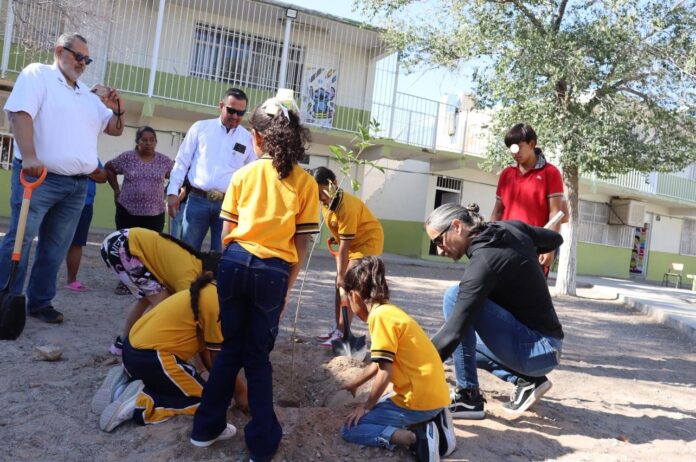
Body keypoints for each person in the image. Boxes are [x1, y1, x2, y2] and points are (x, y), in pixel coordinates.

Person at [190, 91, 319, 462]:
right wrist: (285, 291)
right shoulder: (305, 182)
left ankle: (205, 429)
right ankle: (262, 443)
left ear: (256, 137)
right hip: (272, 272)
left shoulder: (243, 175)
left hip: (234, 263)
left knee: (230, 348)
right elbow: (301, 244)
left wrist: (236, 263)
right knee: (258, 357)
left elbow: (227, 232)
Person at [0, 32, 124, 324]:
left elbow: (115, 129)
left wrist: (118, 108)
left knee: (55, 248)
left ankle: (40, 303)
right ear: (59, 51)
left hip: (77, 186)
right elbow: (20, 114)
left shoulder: (87, 95)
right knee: (20, 241)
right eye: (78, 56)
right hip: (39, 178)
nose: (82, 63)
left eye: (86, 60)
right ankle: (6, 301)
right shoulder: (38, 75)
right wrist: (29, 156)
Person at [425, 203, 564, 419]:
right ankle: (528, 381)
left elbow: (453, 331)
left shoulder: (484, 262)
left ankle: (468, 397)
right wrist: (525, 251)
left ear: (457, 226)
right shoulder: (511, 228)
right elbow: (555, 239)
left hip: (538, 349)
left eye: (438, 241)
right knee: (461, 350)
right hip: (547, 349)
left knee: (454, 298)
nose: (439, 250)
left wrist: (416, 365)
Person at [340, 257, 455, 461]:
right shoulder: (390, 311)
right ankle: (435, 421)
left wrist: (366, 406)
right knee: (383, 400)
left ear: (354, 296)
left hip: (418, 401)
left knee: (351, 429)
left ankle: (415, 438)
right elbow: (379, 363)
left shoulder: (379, 318)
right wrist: (355, 383)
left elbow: (385, 372)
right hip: (436, 397)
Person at [96, 274, 227, 432]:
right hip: (154, 359)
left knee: (185, 386)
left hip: (131, 352)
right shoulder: (216, 303)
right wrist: (238, 392)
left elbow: (207, 350)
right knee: (208, 401)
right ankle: (141, 403)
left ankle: (122, 388)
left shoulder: (204, 290)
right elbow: (217, 358)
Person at [166, 88, 256, 252]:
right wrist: (172, 192)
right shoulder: (200, 128)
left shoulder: (248, 139)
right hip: (197, 200)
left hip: (229, 206)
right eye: (231, 110)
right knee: (187, 252)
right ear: (221, 106)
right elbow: (182, 162)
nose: (235, 116)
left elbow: (253, 173)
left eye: (240, 113)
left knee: (222, 255)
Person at [313, 166, 384, 347]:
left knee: (347, 281)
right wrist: (336, 237)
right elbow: (340, 230)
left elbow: (345, 246)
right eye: (317, 194)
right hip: (351, 243)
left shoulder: (346, 206)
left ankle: (344, 331)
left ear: (334, 183)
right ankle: (339, 330)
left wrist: (341, 274)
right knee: (339, 284)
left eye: (323, 192)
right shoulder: (326, 203)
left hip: (367, 242)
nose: (321, 197)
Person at [105, 126, 173, 294]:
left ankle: (147, 282)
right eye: (144, 140)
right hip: (127, 210)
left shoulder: (164, 161)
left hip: (154, 213)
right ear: (137, 142)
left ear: (156, 142)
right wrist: (116, 190)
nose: (148, 143)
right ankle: (125, 282)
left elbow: (179, 175)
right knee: (125, 247)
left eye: (151, 140)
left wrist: (171, 193)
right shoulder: (127, 158)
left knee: (149, 248)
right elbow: (109, 168)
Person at [490, 123, 564, 276]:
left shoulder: (551, 173)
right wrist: (489, 240)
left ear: (531, 144)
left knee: (530, 291)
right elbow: (497, 212)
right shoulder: (506, 174)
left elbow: (555, 213)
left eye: (518, 147)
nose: (514, 152)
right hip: (505, 247)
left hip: (534, 249)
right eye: (511, 148)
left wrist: (549, 248)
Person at [64, 161, 107, 292]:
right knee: (52, 241)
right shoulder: (63, 152)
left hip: (86, 204)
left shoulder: (91, 156)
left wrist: (83, 172)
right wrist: (89, 172)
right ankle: (43, 279)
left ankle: (72, 280)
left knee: (77, 242)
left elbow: (103, 177)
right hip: (62, 203)